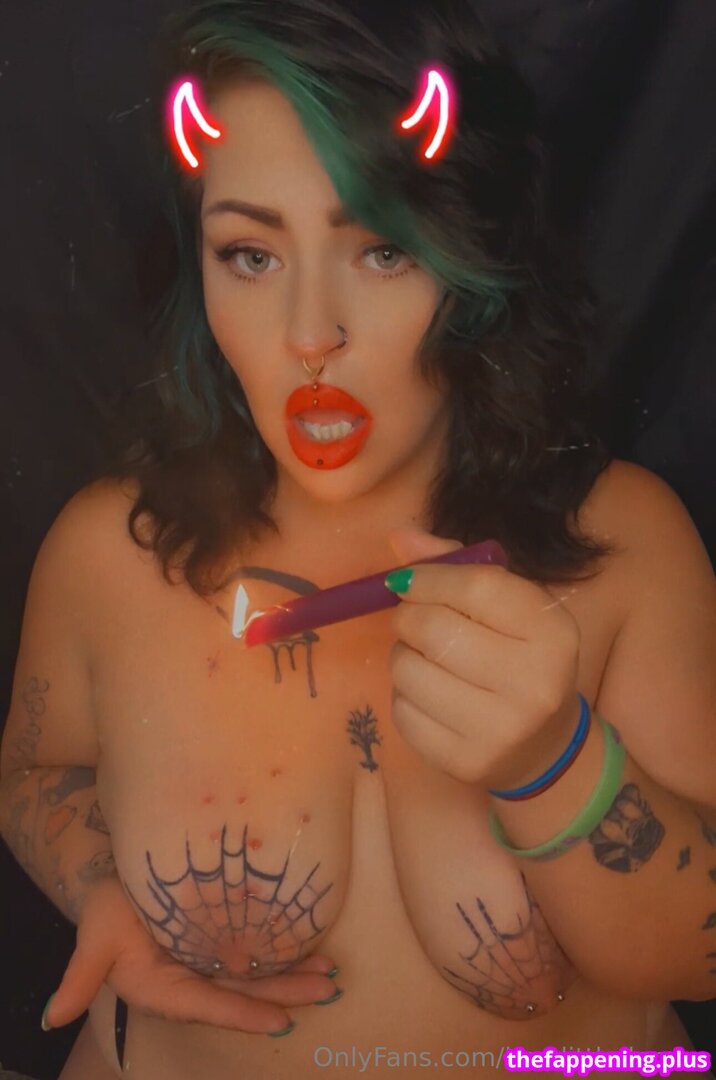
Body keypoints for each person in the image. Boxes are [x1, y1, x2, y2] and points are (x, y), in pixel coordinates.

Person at [1, 1, 715, 1077]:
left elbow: (696, 958)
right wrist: (99, 887)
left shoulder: (619, 543)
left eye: (383, 250)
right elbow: (35, 770)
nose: (310, 334)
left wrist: (554, 763)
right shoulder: (109, 549)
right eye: (250, 254)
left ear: (472, 268)